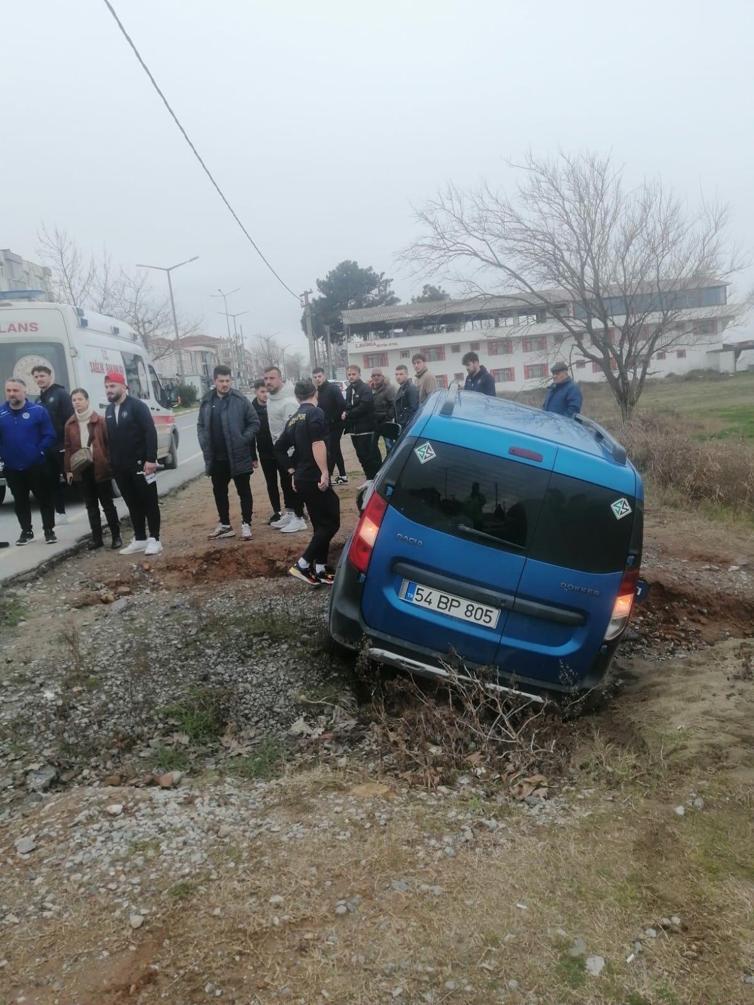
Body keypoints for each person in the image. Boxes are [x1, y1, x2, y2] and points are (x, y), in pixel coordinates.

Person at [275, 379, 341, 586]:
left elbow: (278, 448)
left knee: (320, 524)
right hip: (314, 477)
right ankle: (302, 565)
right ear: (315, 393)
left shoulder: (293, 419)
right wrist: (324, 472)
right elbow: (317, 443)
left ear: (297, 397)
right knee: (332, 521)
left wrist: (292, 471)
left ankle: (320, 569)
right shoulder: (316, 413)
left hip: (302, 478)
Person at [197, 365, 259, 541]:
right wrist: (204, 442)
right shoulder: (207, 400)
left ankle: (246, 524)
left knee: (244, 491)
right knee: (219, 491)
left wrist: (243, 438)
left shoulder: (240, 400)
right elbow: (200, 424)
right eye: (221, 381)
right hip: (217, 457)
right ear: (214, 381)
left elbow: (254, 422)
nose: (224, 384)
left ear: (231, 380)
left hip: (238, 455)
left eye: (227, 381)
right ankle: (225, 525)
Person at [104, 371, 163, 556]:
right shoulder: (108, 410)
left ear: (123, 387)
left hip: (141, 464)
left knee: (149, 502)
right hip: (121, 466)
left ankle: (155, 539)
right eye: (106, 387)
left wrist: (151, 459)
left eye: (112, 386)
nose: (109, 390)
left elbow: (150, 432)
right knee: (132, 503)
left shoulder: (137, 406)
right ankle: (140, 538)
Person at [0, 377, 57, 545]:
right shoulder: (1, 413)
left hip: (36, 465)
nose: (12, 394)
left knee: (44, 498)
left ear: (24, 392)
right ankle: (26, 531)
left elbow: (50, 435)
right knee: (20, 500)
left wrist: (39, 451)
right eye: (9, 390)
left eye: (15, 390)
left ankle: (49, 530)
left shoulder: (38, 411)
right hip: (12, 467)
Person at [63, 388, 122, 550]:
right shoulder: (70, 423)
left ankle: (116, 536)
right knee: (90, 505)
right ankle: (97, 539)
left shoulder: (100, 421)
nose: (77, 403)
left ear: (87, 400)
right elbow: (68, 448)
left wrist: (110, 463)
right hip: (82, 469)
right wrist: (68, 469)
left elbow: (109, 444)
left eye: (80, 399)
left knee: (107, 504)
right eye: (74, 400)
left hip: (100, 467)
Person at [264, 366, 307, 533]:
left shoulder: (289, 402)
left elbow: (293, 430)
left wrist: (289, 453)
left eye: (272, 378)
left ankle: (299, 517)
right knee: (285, 483)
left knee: (293, 484)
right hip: (279, 450)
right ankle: (289, 512)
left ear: (280, 379)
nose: (268, 381)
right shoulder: (270, 399)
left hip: (291, 451)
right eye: (266, 378)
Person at [32, 364, 74, 523]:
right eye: (36, 377)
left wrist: (68, 443)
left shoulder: (61, 394)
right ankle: (61, 513)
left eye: (42, 375)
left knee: (74, 478)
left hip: (63, 445)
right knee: (52, 480)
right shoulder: (37, 399)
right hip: (47, 447)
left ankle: (96, 506)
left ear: (50, 376)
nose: (39, 379)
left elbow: (70, 420)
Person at [251, 379, 283, 524]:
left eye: (267, 392)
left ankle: (295, 509)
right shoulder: (251, 410)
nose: (265, 395)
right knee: (271, 483)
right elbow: (250, 434)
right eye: (262, 392)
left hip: (281, 450)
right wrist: (253, 456)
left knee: (287, 481)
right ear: (256, 392)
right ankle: (277, 511)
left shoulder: (276, 405)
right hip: (265, 452)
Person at [343, 364, 381, 480]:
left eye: (353, 374)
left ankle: (376, 479)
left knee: (371, 457)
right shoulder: (349, 389)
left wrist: (348, 413)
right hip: (354, 430)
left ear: (359, 374)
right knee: (361, 456)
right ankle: (368, 478)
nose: (351, 377)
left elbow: (364, 407)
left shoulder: (365, 388)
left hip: (366, 429)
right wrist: (345, 411)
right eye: (349, 374)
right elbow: (348, 405)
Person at [312, 367, 348, 484]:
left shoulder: (332, 388)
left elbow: (342, 405)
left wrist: (332, 419)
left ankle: (333, 475)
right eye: (315, 377)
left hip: (336, 425)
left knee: (332, 450)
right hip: (326, 426)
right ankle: (340, 475)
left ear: (324, 376)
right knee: (334, 450)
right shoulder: (318, 390)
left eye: (319, 376)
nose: (318, 379)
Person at [370, 369, 397, 457]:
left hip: (386, 422)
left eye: (378, 375)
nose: (376, 377)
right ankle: (378, 466)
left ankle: (391, 465)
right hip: (374, 422)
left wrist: (388, 417)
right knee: (372, 445)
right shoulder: (370, 388)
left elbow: (394, 405)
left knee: (389, 446)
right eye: (374, 375)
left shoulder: (389, 388)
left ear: (382, 376)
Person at [394, 364, 419, 429]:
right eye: (396, 374)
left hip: (408, 426)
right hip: (402, 425)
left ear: (407, 375)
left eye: (401, 374)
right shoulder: (401, 388)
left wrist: (405, 423)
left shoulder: (411, 388)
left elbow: (413, 409)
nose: (398, 377)